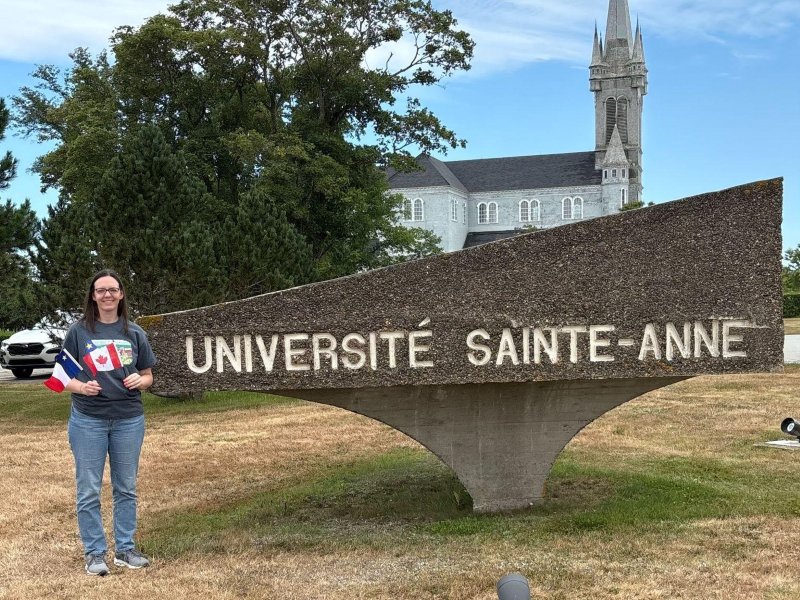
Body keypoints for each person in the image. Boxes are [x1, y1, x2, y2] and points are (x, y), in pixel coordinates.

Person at [62, 270, 157, 576]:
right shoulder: (78, 332)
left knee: (126, 487)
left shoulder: (134, 332)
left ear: (121, 294)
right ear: (93, 296)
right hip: (88, 420)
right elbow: (61, 378)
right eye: (100, 290)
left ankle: (125, 550)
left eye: (112, 290)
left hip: (129, 420)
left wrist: (140, 380)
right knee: (89, 489)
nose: (107, 295)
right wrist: (81, 387)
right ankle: (94, 553)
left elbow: (149, 375)